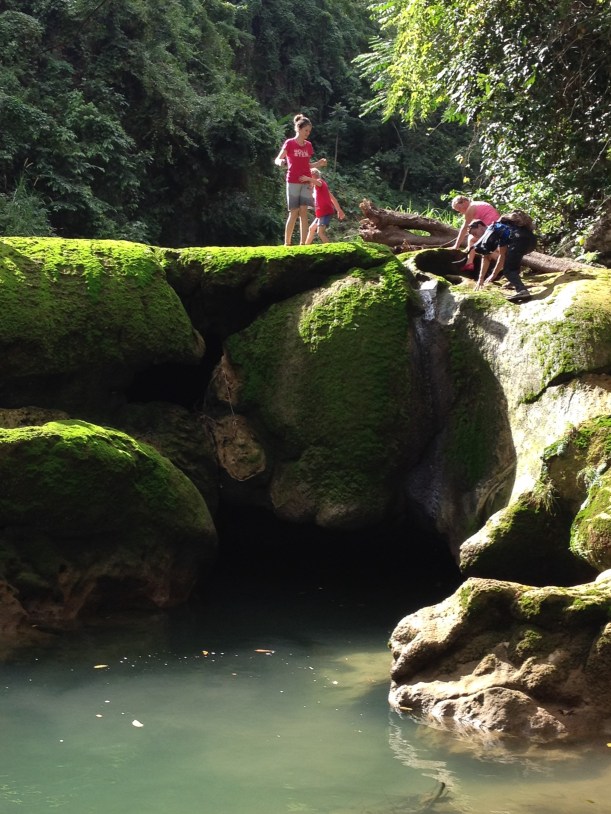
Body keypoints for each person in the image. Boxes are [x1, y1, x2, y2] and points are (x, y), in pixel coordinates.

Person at [274, 114, 327, 246]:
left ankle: (303, 244)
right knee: (294, 212)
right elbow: (278, 159)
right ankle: (287, 243)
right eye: (306, 130)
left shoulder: (308, 145)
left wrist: (318, 164)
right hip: (292, 180)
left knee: (304, 212)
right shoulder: (290, 143)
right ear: (298, 128)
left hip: (306, 182)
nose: (307, 133)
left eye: (309, 131)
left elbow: (307, 165)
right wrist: (281, 162)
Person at [473, 210, 538, 302]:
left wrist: (483, 278)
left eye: (474, 233)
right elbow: (502, 255)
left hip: (518, 241)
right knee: (512, 259)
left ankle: (522, 291)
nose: (474, 236)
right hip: (532, 242)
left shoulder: (493, 229)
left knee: (508, 270)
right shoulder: (505, 226)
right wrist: (493, 275)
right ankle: (514, 281)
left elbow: (489, 256)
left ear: (480, 226)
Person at [451, 195, 500, 271]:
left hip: (492, 231)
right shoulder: (477, 204)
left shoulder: (471, 208)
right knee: (473, 238)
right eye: (458, 210)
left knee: (472, 239)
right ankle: (470, 261)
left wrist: (456, 246)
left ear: (464, 202)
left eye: (460, 208)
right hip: (497, 229)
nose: (460, 212)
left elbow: (465, 228)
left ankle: (469, 263)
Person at [302, 168, 345, 244]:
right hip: (320, 213)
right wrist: (339, 210)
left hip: (325, 212)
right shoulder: (320, 188)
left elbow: (318, 183)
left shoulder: (320, 182)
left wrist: (308, 178)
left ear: (313, 175)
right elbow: (333, 199)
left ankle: (330, 248)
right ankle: (305, 247)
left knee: (320, 232)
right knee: (311, 228)